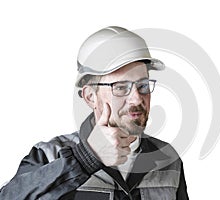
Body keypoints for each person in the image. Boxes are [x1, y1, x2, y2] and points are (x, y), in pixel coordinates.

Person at [0, 26, 189, 200]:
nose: (137, 99)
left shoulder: (168, 159)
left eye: (143, 86)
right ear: (90, 97)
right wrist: (86, 159)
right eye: (121, 87)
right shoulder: (50, 155)